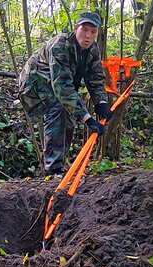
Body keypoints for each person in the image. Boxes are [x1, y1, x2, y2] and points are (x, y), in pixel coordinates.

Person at [17, 12, 113, 177]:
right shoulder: (60, 45)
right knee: (59, 108)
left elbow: (96, 79)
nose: (88, 35)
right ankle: (53, 169)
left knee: (68, 114)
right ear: (76, 28)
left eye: (93, 31)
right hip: (34, 86)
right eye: (85, 29)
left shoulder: (93, 50)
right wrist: (87, 118)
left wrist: (101, 103)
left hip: (55, 87)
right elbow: (61, 86)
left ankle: (59, 166)